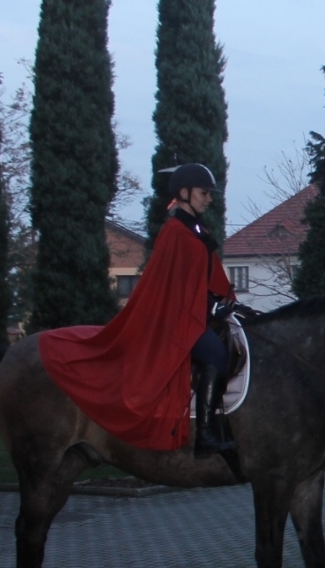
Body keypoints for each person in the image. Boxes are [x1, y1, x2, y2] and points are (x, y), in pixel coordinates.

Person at [38, 163, 239, 458]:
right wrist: (211, 306)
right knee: (216, 355)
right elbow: (178, 288)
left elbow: (203, 277)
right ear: (184, 193)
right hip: (179, 320)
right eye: (204, 193)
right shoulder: (176, 233)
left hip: (194, 312)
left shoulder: (194, 229)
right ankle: (205, 436)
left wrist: (222, 301)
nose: (209, 198)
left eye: (209, 193)